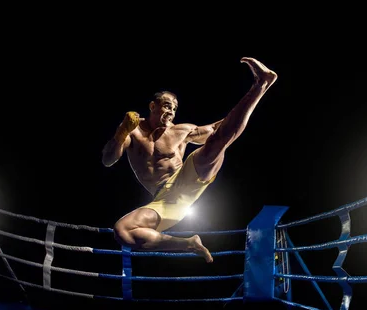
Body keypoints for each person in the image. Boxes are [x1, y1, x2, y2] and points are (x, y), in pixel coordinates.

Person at [101, 57, 277, 263]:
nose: (171, 112)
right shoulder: (134, 131)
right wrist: (121, 133)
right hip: (165, 201)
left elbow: (218, 129)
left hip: (186, 178)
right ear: (152, 106)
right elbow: (108, 160)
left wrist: (257, 95)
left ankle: (261, 83)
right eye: (167, 106)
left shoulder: (181, 131)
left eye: (174, 108)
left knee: (217, 140)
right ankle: (189, 243)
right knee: (122, 231)